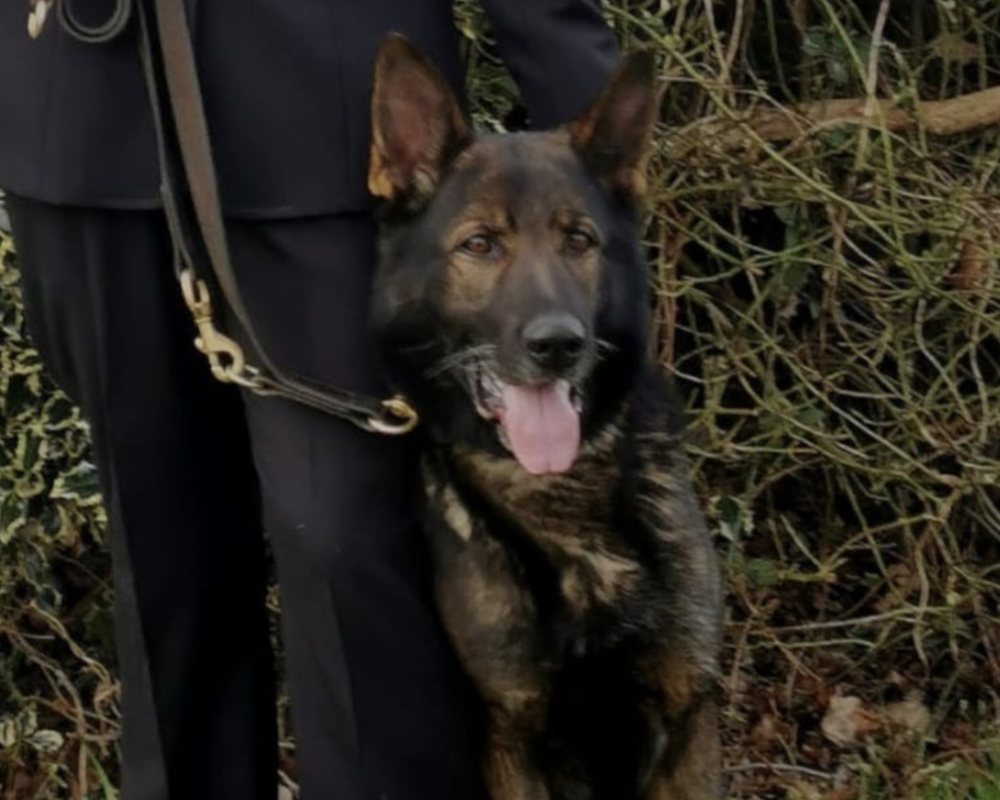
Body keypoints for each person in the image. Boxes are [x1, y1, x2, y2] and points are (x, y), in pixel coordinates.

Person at [0, 1, 620, 799]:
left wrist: (585, 139)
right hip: (72, 94)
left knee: (348, 545)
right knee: (161, 548)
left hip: (331, 113)